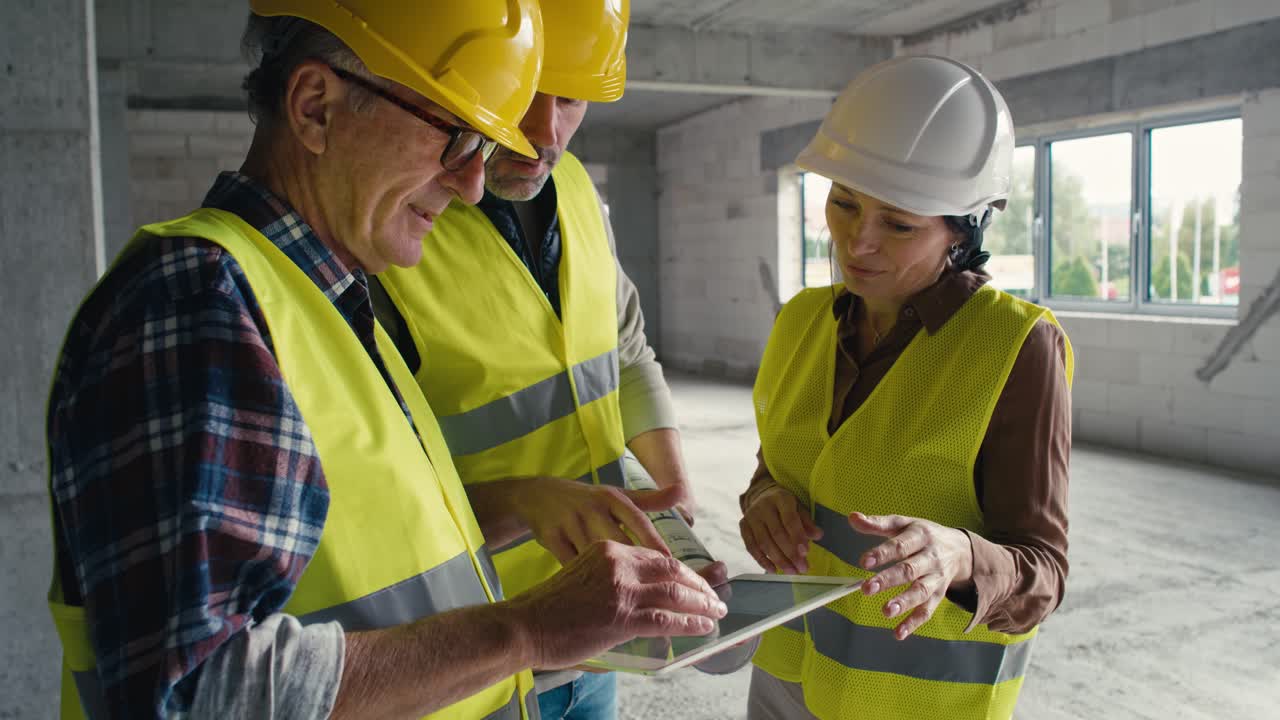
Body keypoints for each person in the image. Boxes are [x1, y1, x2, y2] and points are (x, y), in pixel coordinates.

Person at [44, 3, 726, 719]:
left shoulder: (319, 295)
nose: (470, 183)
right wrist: (526, 631)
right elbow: (197, 692)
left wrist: (523, 504)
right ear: (316, 107)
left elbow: (368, 553)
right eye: (457, 134)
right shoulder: (195, 304)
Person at [374, 2, 726, 717]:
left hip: (598, 627)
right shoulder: (393, 228)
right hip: (473, 636)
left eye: (569, 99)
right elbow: (376, 491)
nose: (545, 134)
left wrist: (671, 484)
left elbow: (623, 348)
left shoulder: (576, 195)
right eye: (519, 92)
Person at [738, 55, 1074, 720]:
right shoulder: (803, 321)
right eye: (842, 203)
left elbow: (1044, 575)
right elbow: (779, 467)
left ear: (963, 230)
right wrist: (766, 498)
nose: (856, 242)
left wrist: (961, 557)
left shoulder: (1015, 348)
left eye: (899, 223)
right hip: (784, 679)